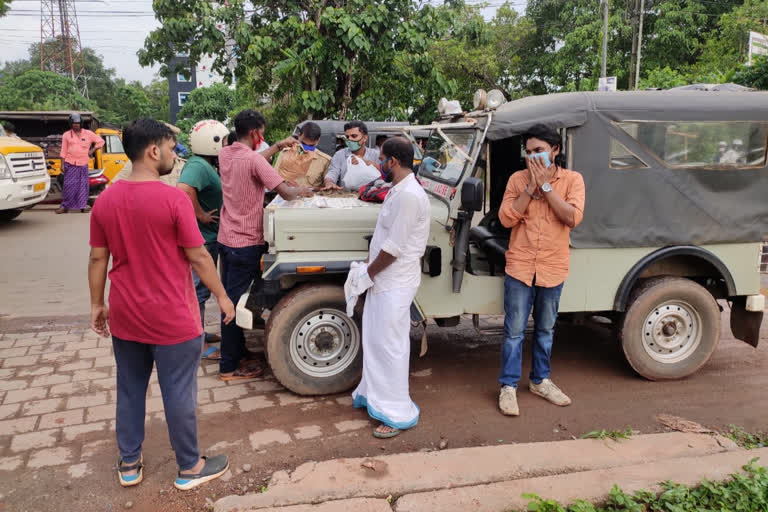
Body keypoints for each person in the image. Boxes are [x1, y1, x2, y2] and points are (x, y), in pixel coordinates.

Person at [88, 118, 233, 490]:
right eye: (171, 148)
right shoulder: (172, 199)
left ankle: (130, 463)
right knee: (178, 393)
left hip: (125, 315)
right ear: (154, 151)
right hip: (173, 318)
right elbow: (199, 256)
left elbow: (97, 260)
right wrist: (221, 295)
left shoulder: (105, 200)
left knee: (130, 389)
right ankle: (190, 467)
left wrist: (96, 306)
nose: (174, 155)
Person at [217, 110, 313, 381]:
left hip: (227, 238)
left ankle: (238, 352)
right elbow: (284, 192)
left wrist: (279, 146)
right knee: (235, 305)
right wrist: (303, 191)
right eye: (262, 132)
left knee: (231, 299)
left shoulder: (227, 153)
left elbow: (254, 160)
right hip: (246, 242)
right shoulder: (253, 161)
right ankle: (228, 366)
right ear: (255, 133)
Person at [496, 124, 585, 417]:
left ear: (555, 150)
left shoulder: (573, 180)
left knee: (545, 330)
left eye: (539, 151)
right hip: (520, 267)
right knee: (514, 332)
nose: (533, 157)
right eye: (529, 152)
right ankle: (508, 387)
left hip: (553, 267)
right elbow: (507, 219)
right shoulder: (516, 180)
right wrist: (531, 187)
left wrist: (546, 187)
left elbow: (572, 217)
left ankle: (540, 381)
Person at [351, 137, 430, 438]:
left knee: (391, 347)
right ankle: (373, 396)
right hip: (384, 280)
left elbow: (394, 248)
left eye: (382, 159)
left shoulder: (409, 196)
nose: (378, 164)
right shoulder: (398, 191)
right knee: (375, 340)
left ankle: (396, 412)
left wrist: (367, 275)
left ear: (393, 162)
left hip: (394, 282)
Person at [178, 119, 230, 360]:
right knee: (198, 291)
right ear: (214, 142)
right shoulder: (198, 165)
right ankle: (195, 345)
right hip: (204, 238)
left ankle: (199, 333)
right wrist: (200, 214)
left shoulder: (204, 164)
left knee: (201, 290)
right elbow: (184, 190)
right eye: (225, 140)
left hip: (209, 237)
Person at [56, 113, 104, 214]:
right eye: (74, 123)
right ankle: (65, 206)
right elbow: (63, 150)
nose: (76, 125)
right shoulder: (66, 135)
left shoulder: (88, 134)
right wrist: (62, 164)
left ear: (81, 123)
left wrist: (92, 150)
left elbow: (100, 142)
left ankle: (83, 206)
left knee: (83, 186)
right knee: (69, 186)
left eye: (78, 123)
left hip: (83, 164)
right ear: (71, 124)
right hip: (70, 163)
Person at [323, 121, 381, 190]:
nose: (349, 139)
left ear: (365, 138)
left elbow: (385, 172)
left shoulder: (376, 155)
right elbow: (333, 172)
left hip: (370, 196)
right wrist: (329, 182)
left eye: (354, 136)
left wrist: (365, 162)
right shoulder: (339, 155)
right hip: (346, 197)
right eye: (347, 136)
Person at [273, 122, 331, 188]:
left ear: (318, 141)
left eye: (311, 146)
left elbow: (325, 187)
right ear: (299, 135)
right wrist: (285, 183)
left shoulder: (325, 161)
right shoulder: (285, 153)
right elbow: (274, 178)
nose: (305, 149)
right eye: (303, 144)